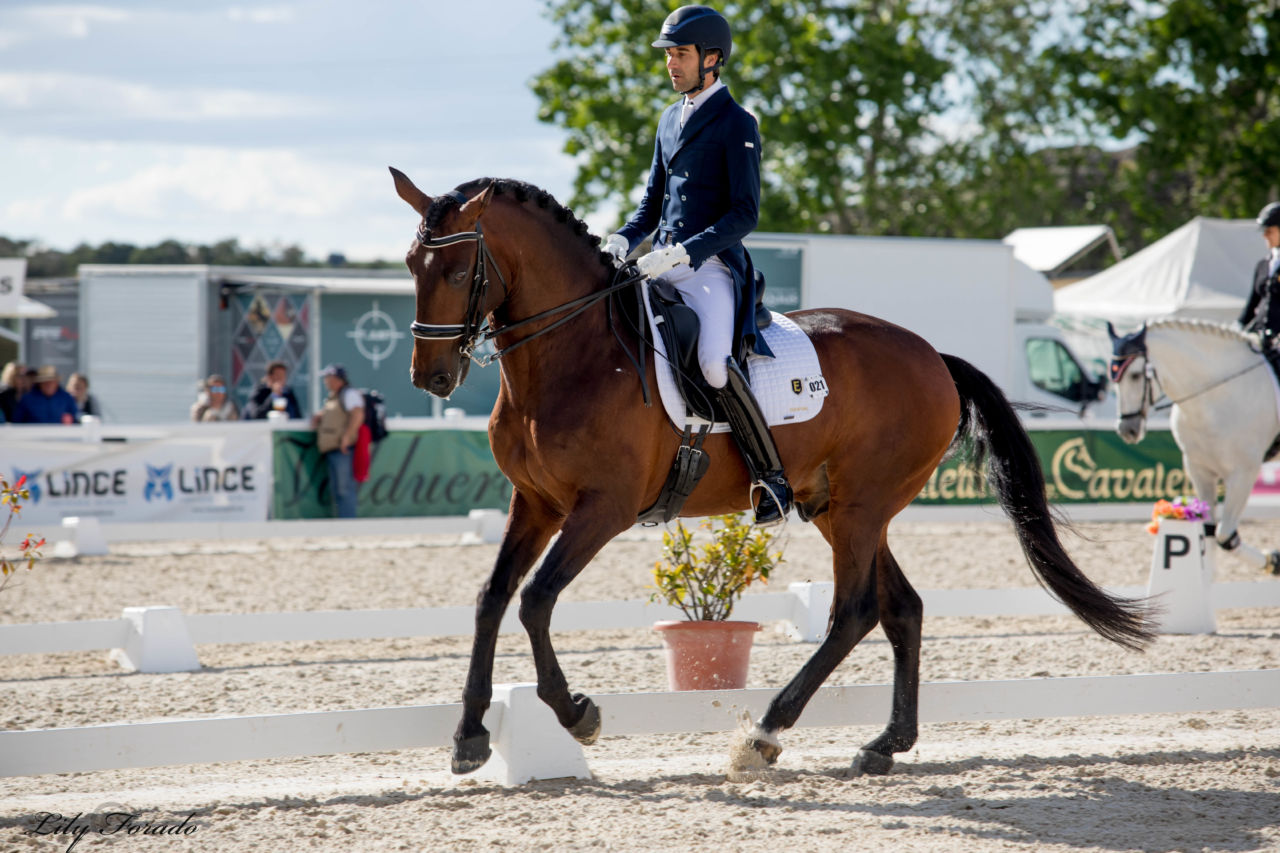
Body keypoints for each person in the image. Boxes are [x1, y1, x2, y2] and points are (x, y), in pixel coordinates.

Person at [601, 5, 791, 526]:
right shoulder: (668, 118)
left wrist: (689, 251)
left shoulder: (737, 122)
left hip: (710, 267)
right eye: (668, 54)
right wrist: (624, 238)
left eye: (680, 54)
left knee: (711, 363)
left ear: (712, 59)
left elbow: (744, 214)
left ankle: (770, 478)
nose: (671, 64)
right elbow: (652, 203)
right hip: (659, 261)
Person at [312, 363, 365, 518]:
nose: (326, 381)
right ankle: (343, 524)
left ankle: (348, 524)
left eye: (328, 378)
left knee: (344, 489)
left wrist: (346, 438)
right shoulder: (334, 396)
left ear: (337, 379)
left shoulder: (348, 394)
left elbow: (357, 415)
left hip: (342, 448)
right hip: (332, 448)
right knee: (337, 490)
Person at [1239, 201, 1280, 352]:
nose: (1265, 236)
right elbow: (1252, 304)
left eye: (1269, 231)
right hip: (1259, 336)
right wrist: (1237, 328)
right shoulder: (1262, 265)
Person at [13, 365, 79, 424]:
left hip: (60, 436)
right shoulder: (27, 399)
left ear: (56, 382)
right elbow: (17, 421)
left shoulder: (66, 398)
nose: (48, 385)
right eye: (45, 382)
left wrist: (71, 421)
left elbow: (76, 418)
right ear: (40, 384)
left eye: (51, 381)